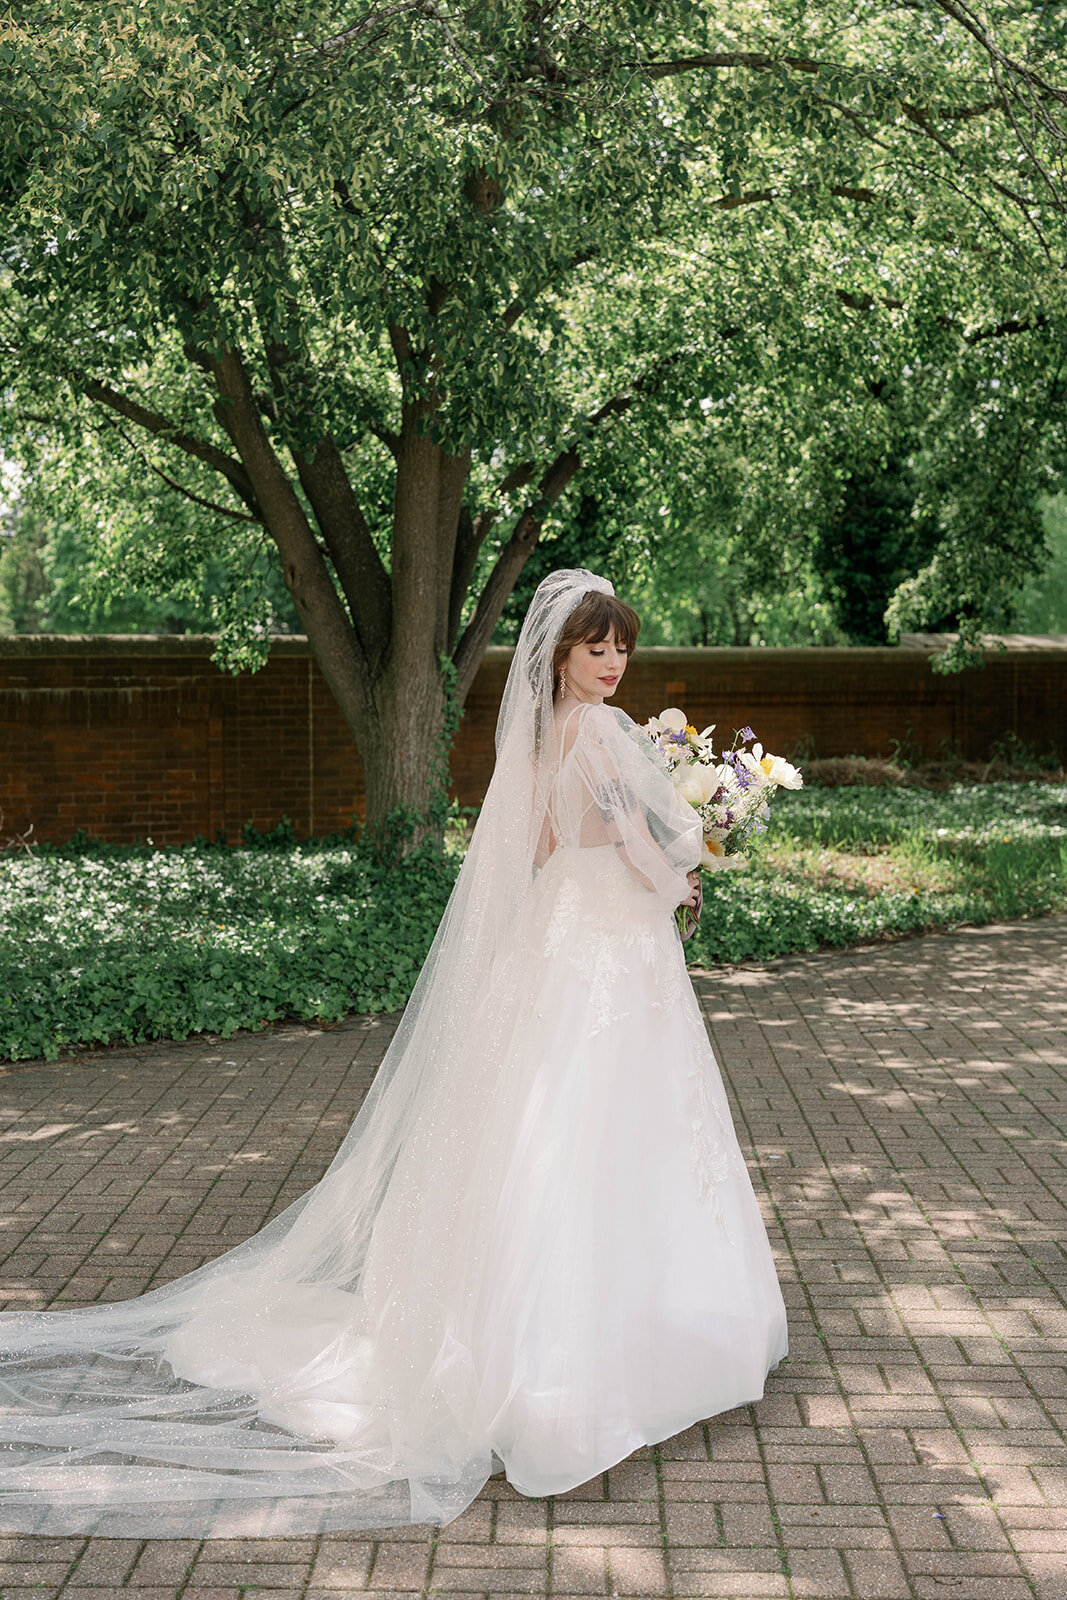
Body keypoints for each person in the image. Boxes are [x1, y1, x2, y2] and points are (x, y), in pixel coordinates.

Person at [0, 568, 787, 1538]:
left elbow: (544, 845)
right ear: (561, 655)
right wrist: (685, 876)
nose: (613, 662)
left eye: (620, 646)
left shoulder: (544, 736)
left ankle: (539, 1335)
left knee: (559, 1127)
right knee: (608, 1125)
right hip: (608, 948)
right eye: (597, 648)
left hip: (566, 939)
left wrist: (632, 874)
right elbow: (627, 839)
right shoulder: (598, 734)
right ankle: (609, 1349)